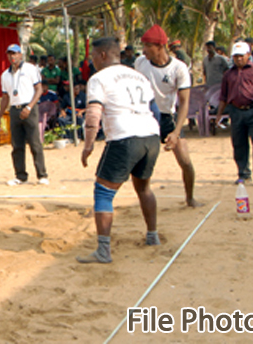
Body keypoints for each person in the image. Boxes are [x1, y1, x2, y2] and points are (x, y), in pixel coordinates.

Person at [78, 37, 161, 264]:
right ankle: (152, 236)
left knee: (103, 191)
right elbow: (156, 110)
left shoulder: (98, 78)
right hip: (150, 135)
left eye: (93, 56)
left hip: (125, 136)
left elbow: (94, 113)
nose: (92, 60)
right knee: (144, 187)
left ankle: (103, 250)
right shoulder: (139, 75)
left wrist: (88, 145)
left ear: (103, 55)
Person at [135, 25, 200, 207]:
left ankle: (190, 198)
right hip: (146, 117)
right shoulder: (140, 63)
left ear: (160, 46)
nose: (144, 50)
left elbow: (184, 102)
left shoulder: (179, 68)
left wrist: (176, 132)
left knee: (185, 161)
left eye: (148, 45)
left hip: (167, 118)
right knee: (137, 161)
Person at [216, 42, 253, 187]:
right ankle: (243, 174)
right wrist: (219, 114)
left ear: (248, 55)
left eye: (241, 56)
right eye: (236, 56)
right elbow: (223, 96)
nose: (239, 59)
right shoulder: (228, 75)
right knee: (239, 144)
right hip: (236, 112)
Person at [0, 44, 49, 186]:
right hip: (14, 110)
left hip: (29, 108)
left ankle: (42, 175)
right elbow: (5, 97)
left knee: (34, 143)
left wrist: (30, 107)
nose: (12, 57)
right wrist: (0, 116)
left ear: (21, 55)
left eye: (15, 54)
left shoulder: (30, 69)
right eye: (9, 54)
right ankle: (20, 176)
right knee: (17, 145)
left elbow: (39, 89)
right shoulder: (5, 75)